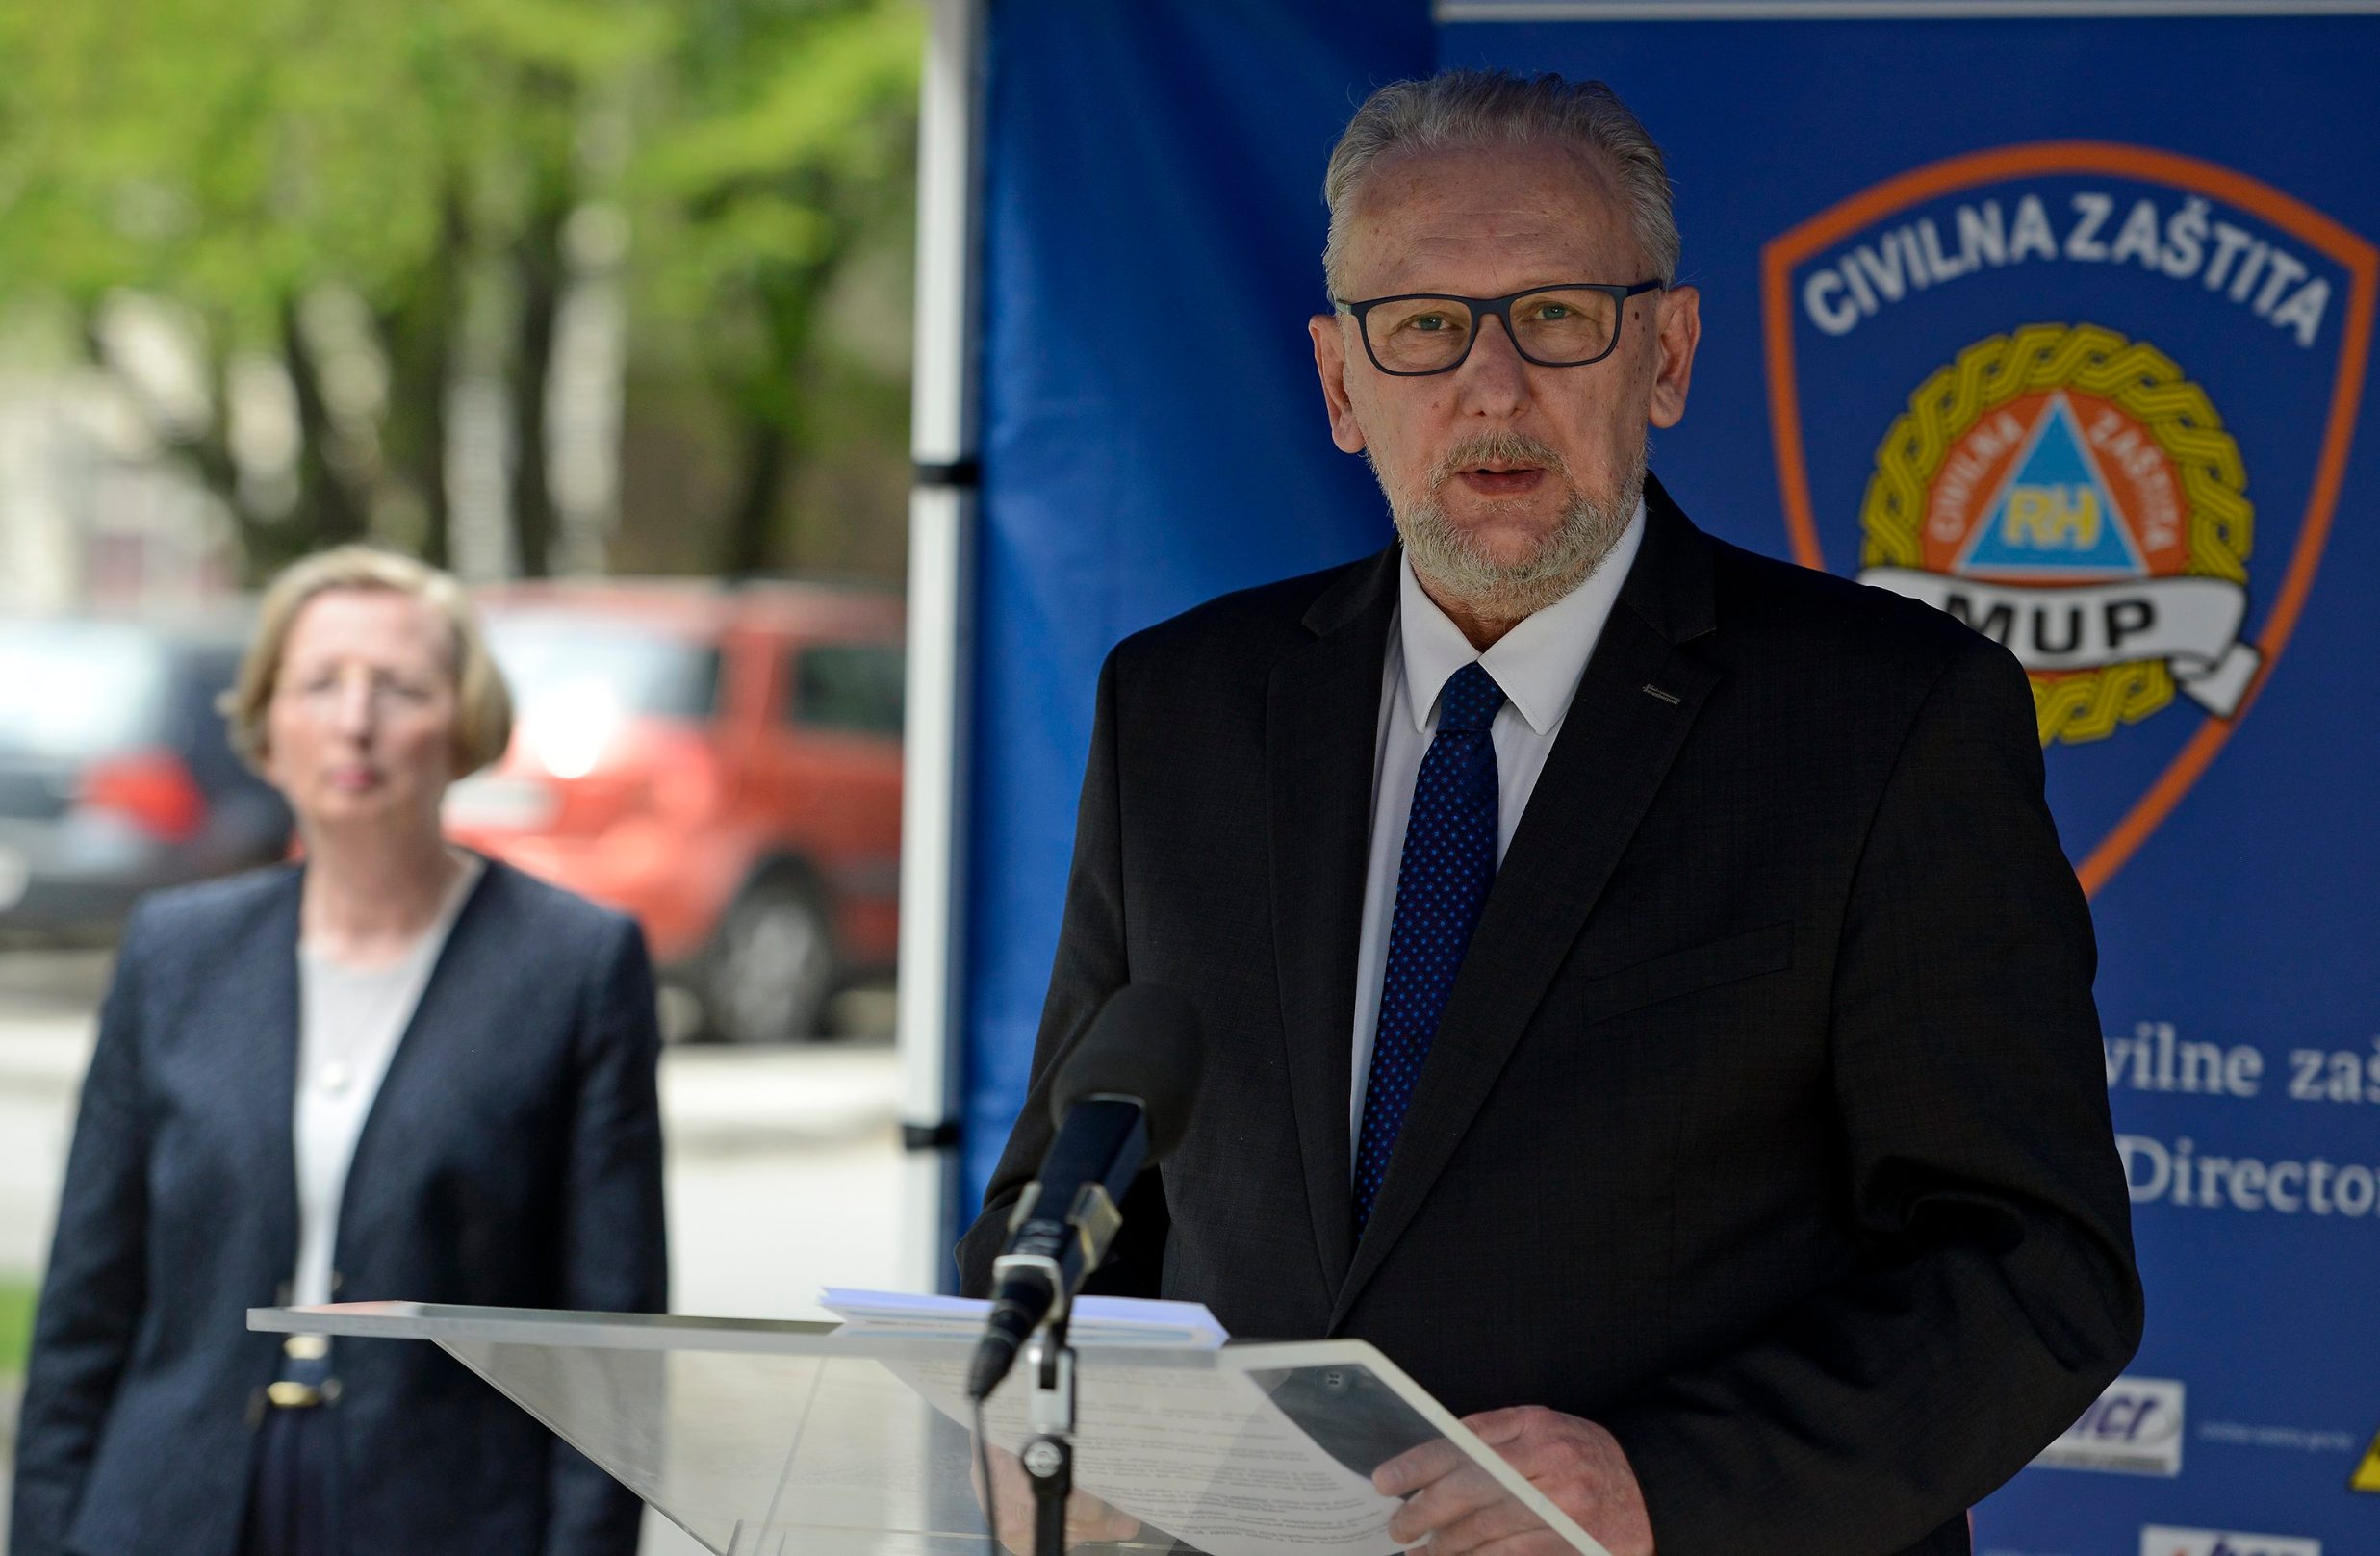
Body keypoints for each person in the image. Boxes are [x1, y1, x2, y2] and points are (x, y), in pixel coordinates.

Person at [959, 70, 2142, 1556]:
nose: (1491, 385)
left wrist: (1660, 1484)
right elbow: (1070, 1197)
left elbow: (2033, 1267)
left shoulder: (1887, 719)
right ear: (1339, 383)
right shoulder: (1180, 710)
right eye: (1425, 326)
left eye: (1559, 315)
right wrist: (1041, 1418)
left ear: (1666, 354)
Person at [11, 548, 667, 1556]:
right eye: (318, 684)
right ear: (267, 726)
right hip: (164, 1507)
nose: (354, 721)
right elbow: (84, 1311)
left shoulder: (573, 967)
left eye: (399, 687)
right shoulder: (174, 953)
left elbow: (611, 1340)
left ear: (465, 724)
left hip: (447, 1515)